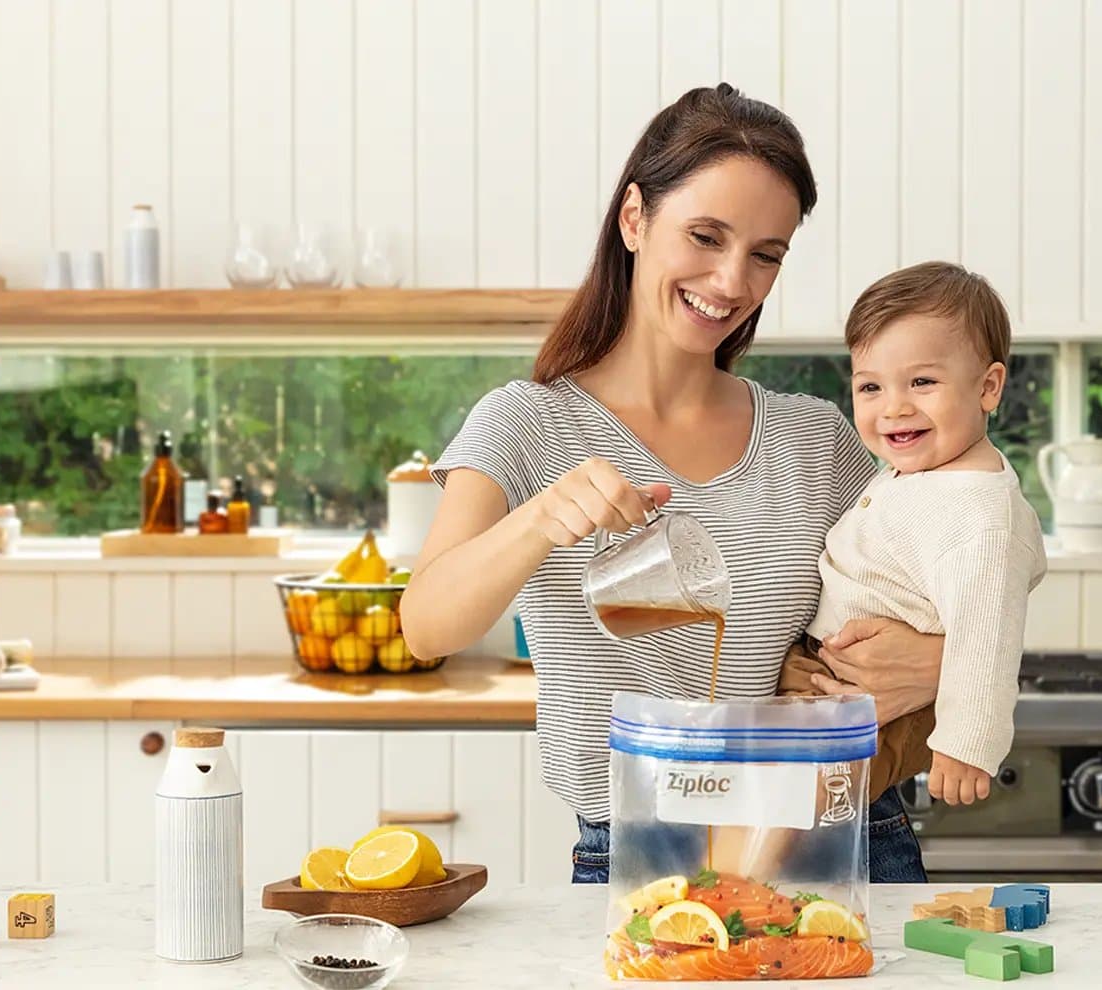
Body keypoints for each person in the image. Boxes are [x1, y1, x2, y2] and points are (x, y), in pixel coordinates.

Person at [401, 84, 944, 884]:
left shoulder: (816, 438)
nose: (731, 281)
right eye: (705, 236)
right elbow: (426, 626)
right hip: (643, 852)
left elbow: (945, 589)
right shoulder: (526, 424)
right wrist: (544, 517)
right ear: (633, 219)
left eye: (766, 254)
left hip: (835, 835)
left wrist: (939, 660)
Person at [782, 262, 1047, 809]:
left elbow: (985, 642)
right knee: (769, 818)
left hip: (884, 708)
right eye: (871, 387)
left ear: (988, 387)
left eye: (922, 382)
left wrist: (964, 746)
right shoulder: (920, 474)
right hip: (831, 677)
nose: (895, 406)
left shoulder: (980, 512)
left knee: (792, 823)